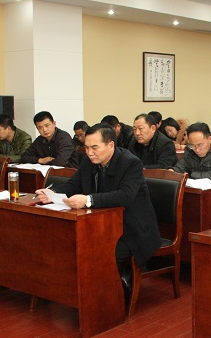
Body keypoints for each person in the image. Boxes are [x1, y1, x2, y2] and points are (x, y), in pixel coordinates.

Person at [35, 123, 160, 291]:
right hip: (101, 225)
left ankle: (115, 290)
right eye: (86, 148)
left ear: (110, 145)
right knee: (72, 246)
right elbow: (74, 183)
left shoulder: (131, 163)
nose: (89, 152)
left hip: (131, 228)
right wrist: (51, 192)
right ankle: (84, 292)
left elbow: (125, 195)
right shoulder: (88, 161)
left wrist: (88, 200)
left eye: (94, 147)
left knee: (100, 253)